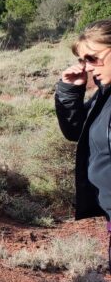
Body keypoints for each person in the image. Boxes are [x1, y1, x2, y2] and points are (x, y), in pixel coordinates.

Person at [55, 20, 111, 243]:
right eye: (82, 60)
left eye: (93, 58)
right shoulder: (105, 94)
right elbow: (76, 131)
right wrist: (71, 91)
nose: (87, 67)